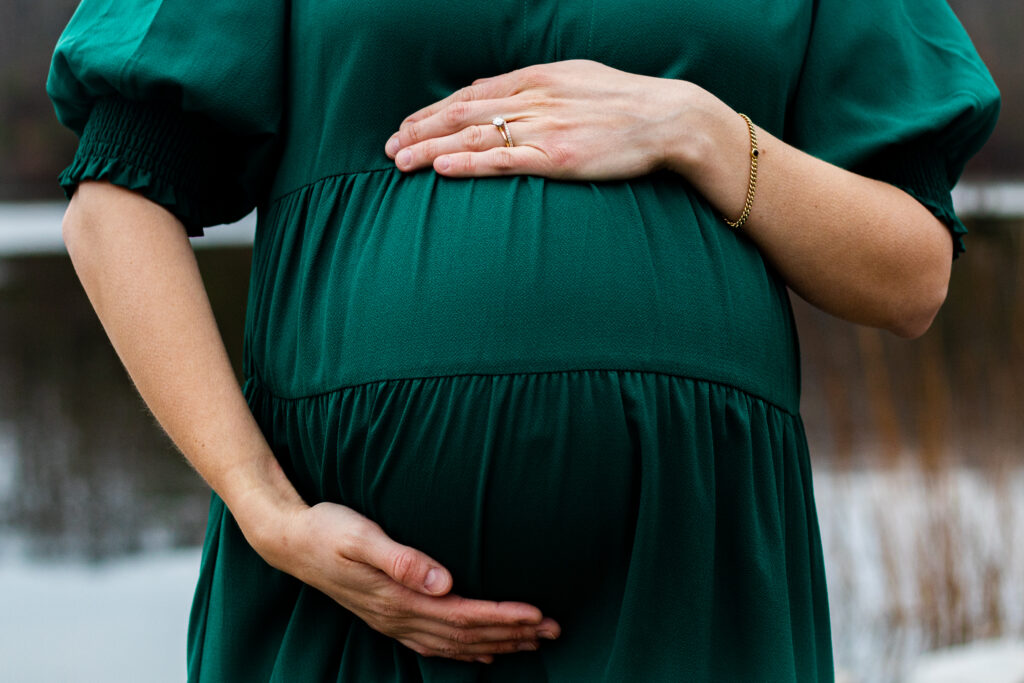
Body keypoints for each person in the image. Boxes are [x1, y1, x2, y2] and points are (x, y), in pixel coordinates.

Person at [47, 0, 999, 680]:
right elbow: (117, 198)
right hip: (342, 596)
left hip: (683, 586)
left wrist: (702, 130)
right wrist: (265, 510)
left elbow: (911, 273)